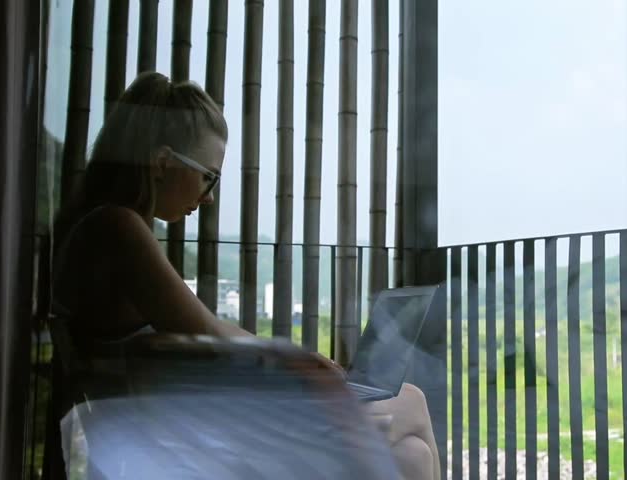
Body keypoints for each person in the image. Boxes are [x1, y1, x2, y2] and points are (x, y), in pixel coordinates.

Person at [51, 71, 439, 480]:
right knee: (410, 400)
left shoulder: (104, 229)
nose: (210, 195)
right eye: (208, 176)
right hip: (201, 440)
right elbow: (207, 332)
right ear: (162, 162)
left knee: (413, 457)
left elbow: (201, 334)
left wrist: (303, 366)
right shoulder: (117, 228)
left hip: (187, 429)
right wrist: (305, 365)